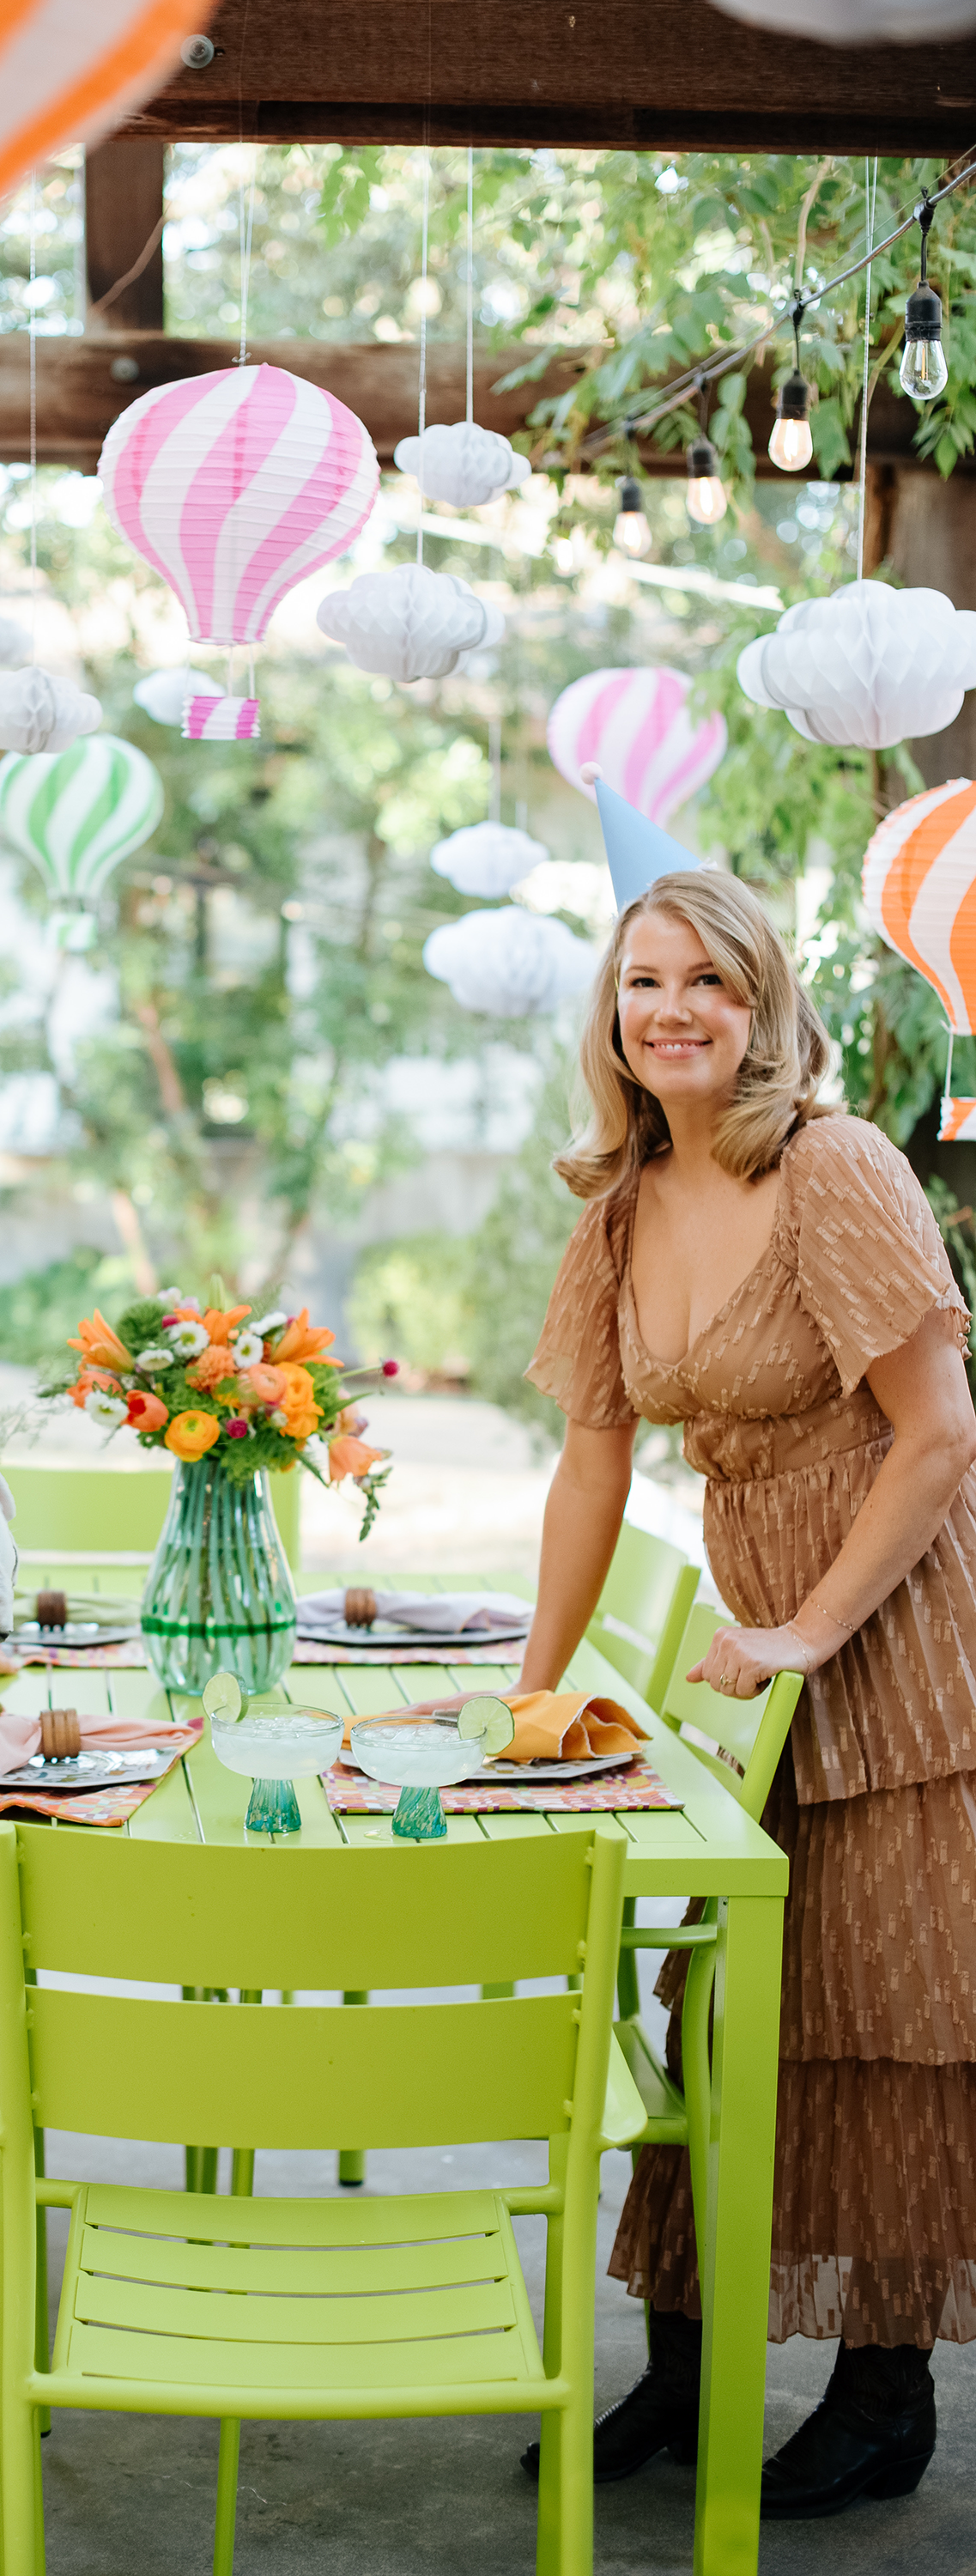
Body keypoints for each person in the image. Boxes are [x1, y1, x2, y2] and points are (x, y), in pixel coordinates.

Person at [517, 869, 976, 2518]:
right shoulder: (621, 1198)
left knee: (874, 2014)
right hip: (761, 1645)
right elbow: (587, 1463)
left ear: (762, 1002)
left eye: (708, 981)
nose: (671, 1011)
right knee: (713, 2008)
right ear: (612, 1014)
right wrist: (531, 1688)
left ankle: (881, 2397)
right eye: (643, 983)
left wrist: (807, 1629)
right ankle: (687, 2366)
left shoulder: (832, 1169)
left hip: (899, 1627)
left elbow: (937, 1436)